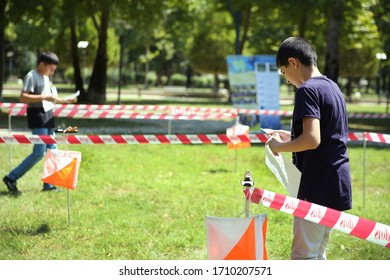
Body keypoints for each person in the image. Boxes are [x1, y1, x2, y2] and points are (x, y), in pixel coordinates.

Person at [266, 37, 352, 260]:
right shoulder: (332, 87)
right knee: (318, 251)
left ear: (293, 63)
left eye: (283, 72)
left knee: (304, 256)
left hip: (317, 185)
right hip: (336, 181)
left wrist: (279, 145)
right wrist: (293, 137)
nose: (286, 79)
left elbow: (312, 139)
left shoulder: (307, 90)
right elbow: (326, 134)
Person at [3, 51, 77, 195]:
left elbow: (50, 98)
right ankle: (11, 177)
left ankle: (48, 185)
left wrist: (64, 100)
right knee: (39, 153)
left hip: (48, 117)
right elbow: (23, 97)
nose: (52, 71)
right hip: (38, 117)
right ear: (42, 64)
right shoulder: (32, 76)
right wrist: (45, 96)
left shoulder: (46, 77)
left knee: (53, 150)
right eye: (51, 68)